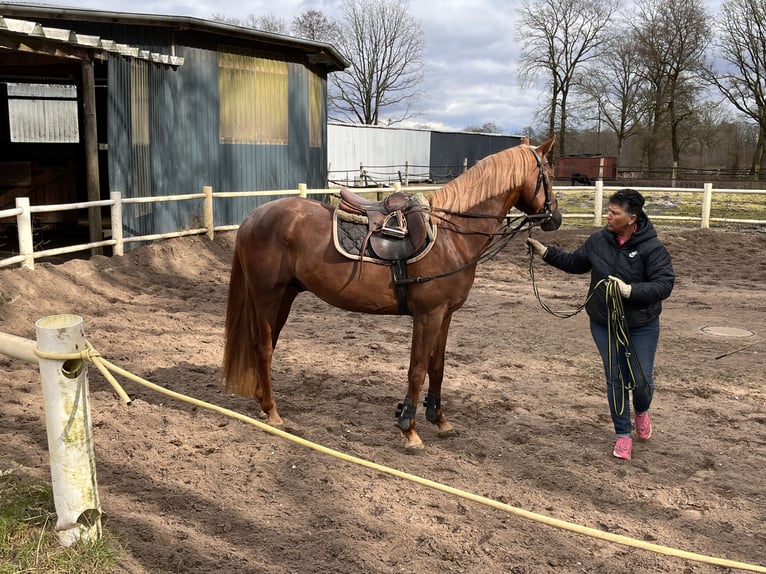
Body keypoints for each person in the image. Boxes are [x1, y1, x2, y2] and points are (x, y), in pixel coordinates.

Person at [526, 189, 675, 460]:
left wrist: (630, 291)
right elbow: (575, 263)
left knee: (641, 381)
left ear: (631, 218)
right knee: (615, 377)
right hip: (604, 322)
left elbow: (664, 284)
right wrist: (546, 252)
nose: (608, 215)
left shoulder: (652, 248)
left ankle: (641, 410)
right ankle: (622, 434)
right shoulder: (598, 241)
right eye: (609, 210)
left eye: (614, 212)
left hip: (642, 324)